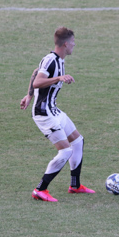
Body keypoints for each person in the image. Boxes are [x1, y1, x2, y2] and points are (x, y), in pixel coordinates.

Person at [20, 27, 95, 202]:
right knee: (65, 151)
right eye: (73, 43)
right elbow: (38, 80)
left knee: (78, 140)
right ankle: (40, 189)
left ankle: (75, 186)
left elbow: (34, 73)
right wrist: (58, 78)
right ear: (66, 44)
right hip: (43, 114)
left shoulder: (58, 59)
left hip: (53, 110)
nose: (74, 46)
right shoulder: (51, 60)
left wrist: (29, 95)